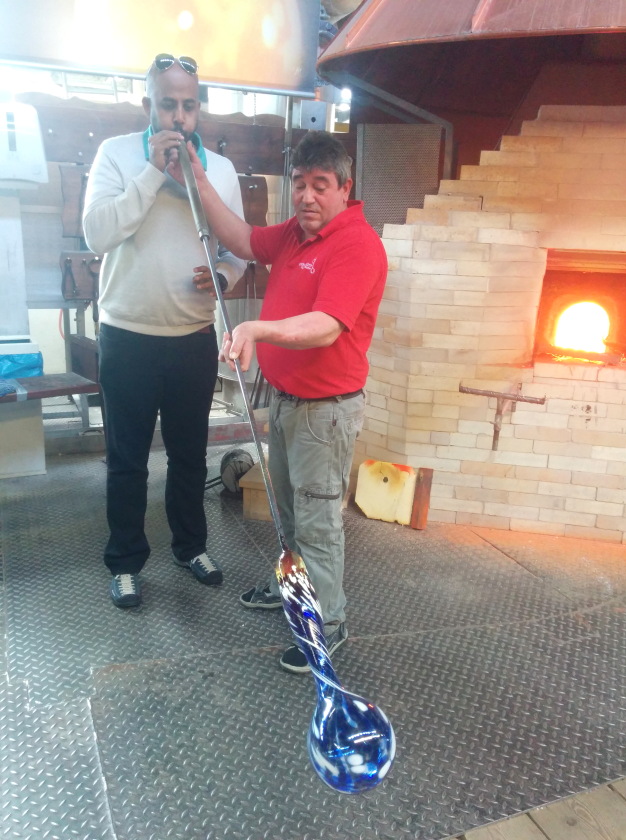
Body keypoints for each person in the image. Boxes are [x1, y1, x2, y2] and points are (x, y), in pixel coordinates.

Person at [171, 130, 387, 672]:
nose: (308, 197)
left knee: (316, 523)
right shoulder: (296, 233)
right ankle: (292, 590)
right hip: (291, 401)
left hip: (326, 411)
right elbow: (242, 239)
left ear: (344, 188)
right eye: (300, 184)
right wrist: (197, 176)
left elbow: (326, 326)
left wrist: (255, 329)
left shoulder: (357, 245)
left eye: (320, 186)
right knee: (288, 512)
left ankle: (329, 623)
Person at [83, 54, 246, 608]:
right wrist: (152, 172)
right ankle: (125, 562)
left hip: (191, 336)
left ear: (199, 108)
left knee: (189, 455)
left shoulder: (218, 170)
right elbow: (97, 235)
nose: (178, 116)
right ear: (147, 105)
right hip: (127, 333)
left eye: (188, 105)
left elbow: (238, 250)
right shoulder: (117, 154)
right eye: (167, 104)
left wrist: (222, 275)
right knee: (127, 458)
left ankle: (190, 546)